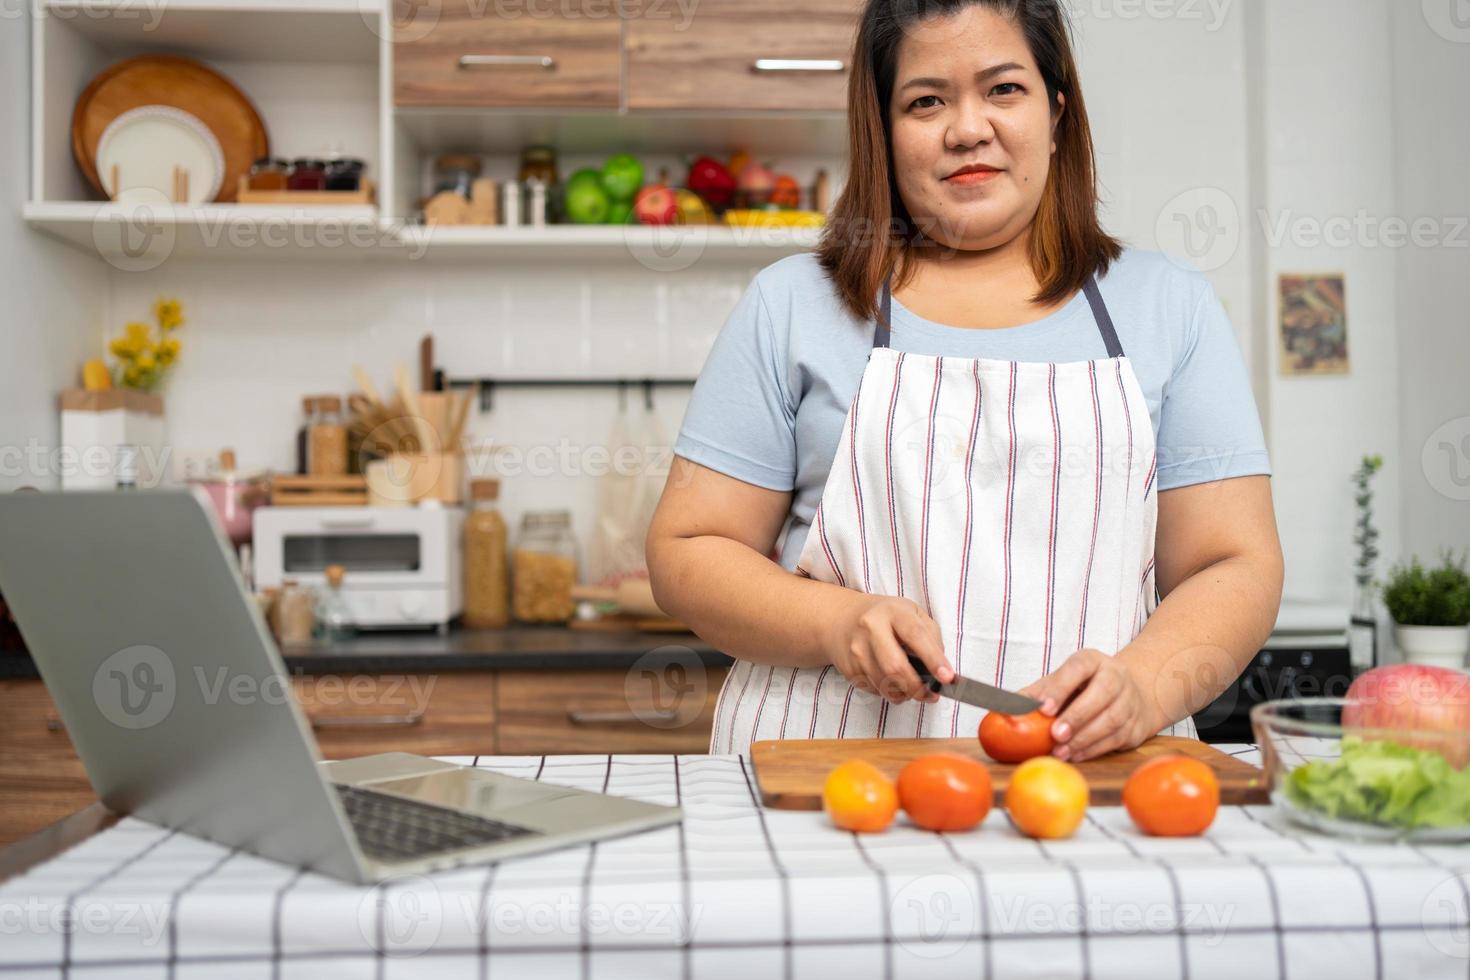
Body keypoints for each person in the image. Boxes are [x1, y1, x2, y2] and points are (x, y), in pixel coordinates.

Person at [646, 0, 1283, 762]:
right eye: (925, 101)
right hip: (823, 773)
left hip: (1094, 779)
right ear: (882, 131)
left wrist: (1145, 685)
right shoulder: (792, 305)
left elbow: (1233, 563)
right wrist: (836, 622)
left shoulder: (1167, 305)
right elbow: (687, 553)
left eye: (1003, 89)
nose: (967, 128)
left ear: (1056, 111)